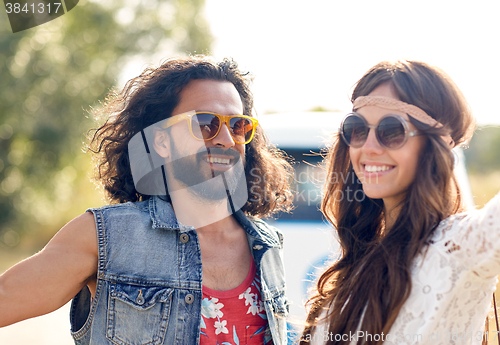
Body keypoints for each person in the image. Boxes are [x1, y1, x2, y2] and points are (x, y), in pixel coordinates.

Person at [0, 56, 294, 345]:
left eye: (238, 126)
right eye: (205, 124)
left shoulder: (267, 245)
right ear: (162, 142)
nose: (226, 140)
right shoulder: (105, 237)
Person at [300, 60, 499, 345]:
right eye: (357, 129)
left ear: (435, 144)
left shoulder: (457, 247)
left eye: (391, 131)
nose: (368, 147)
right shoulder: (355, 263)